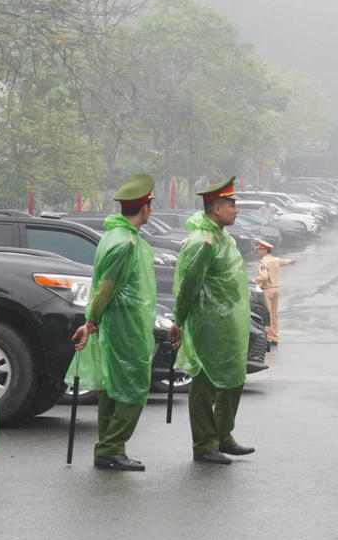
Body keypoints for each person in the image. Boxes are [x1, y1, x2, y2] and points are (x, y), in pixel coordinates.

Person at [69, 173, 158, 472]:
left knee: (112, 385)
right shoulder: (125, 244)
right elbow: (105, 287)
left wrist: (93, 321)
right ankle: (110, 447)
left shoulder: (115, 235)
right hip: (124, 324)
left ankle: (109, 448)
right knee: (134, 387)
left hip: (116, 322)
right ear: (145, 208)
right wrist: (91, 320)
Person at [169, 176, 255, 465]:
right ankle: (204, 444)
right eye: (232, 205)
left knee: (233, 379)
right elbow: (188, 286)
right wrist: (178, 320)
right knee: (205, 384)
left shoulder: (222, 237)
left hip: (229, 323)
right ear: (216, 208)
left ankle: (223, 435)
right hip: (207, 323)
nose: (236, 210)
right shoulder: (202, 242)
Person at [255, 240, 297, 347]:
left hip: (267, 290)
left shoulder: (263, 262)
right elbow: (284, 261)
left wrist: (254, 282)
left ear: (265, 250)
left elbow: (264, 277)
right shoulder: (274, 260)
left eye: (259, 250)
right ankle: (275, 337)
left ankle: (268, 338)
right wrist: (291, 261)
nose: (258, 252)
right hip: (276, 290)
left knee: (267, 315)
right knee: (274, 315)